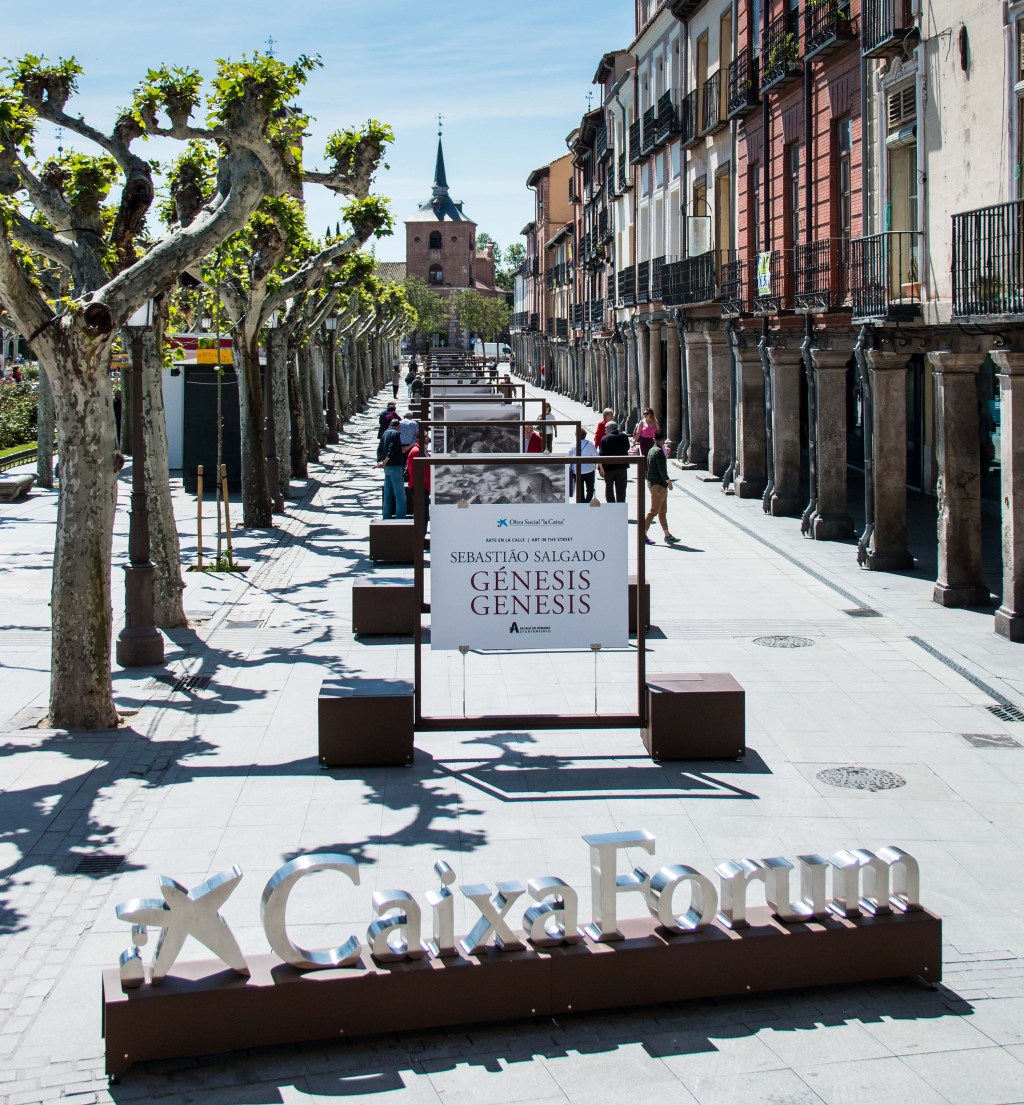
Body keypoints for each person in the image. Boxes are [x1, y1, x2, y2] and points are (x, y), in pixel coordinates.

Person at [644, 429, 678, 545]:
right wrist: (669, 482)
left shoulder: (651, 450)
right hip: (658, 485)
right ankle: (642, 533)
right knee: (653, 511)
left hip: (654, 483)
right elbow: (662, 471)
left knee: (662, 511)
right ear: (663, 440)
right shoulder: (659, 452)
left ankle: (667, 535)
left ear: (654, 439)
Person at [376, 419, 407, 519]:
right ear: (398, 426)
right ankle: (401, 517)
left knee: (388, 493)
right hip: (395, 466)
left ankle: (386, 516)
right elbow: (392, 448)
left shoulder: (384, 433)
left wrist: (380, 461)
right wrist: (386, 460)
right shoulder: (396, 434)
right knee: (400, 494)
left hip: (387, 468)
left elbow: (379, 449)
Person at [598, 420, 630, 503]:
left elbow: (601, 455)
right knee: (621, 489)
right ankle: (621, 507)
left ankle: (611, 508)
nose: (605, 430)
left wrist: (600, 469)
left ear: (609, 428)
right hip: (622, 467)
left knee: (609, 489)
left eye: (605, 428)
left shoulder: (604, 439)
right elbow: (627, 448)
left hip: (609, 468)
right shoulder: (624, 436)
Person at [567, 427, 598, 503]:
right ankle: (587, 502)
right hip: (589, 470)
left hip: (577, 470)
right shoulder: (590, 443)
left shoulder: (573, 444)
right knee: (590, 489)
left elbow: (569, 457)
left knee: (579, 489)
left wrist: (570, 467)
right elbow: (596, 455)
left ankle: (581, 503)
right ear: (585, 435)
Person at [404, 438, 431, 522]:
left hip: (423, 486)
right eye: (425, 438)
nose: (427, 441)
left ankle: (421, 533)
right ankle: (420, 533)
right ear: (418, 440)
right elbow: (414, 471)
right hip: (419, 486)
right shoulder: (417, 451)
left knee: (424, 513)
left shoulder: (423, 451)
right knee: (422, 513)